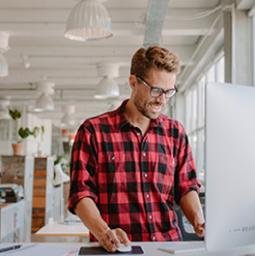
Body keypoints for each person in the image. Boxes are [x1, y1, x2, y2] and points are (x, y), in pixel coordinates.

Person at [68, 45, 205, 252]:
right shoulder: (93, 131)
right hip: (117, 249)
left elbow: (186, 187)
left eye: (169, 92)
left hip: (168, 247)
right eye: (156, 90)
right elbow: (81, 193)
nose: (162, 99)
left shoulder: (176, 133)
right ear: (133, 82)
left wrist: (199, 223)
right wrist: (104, 232)